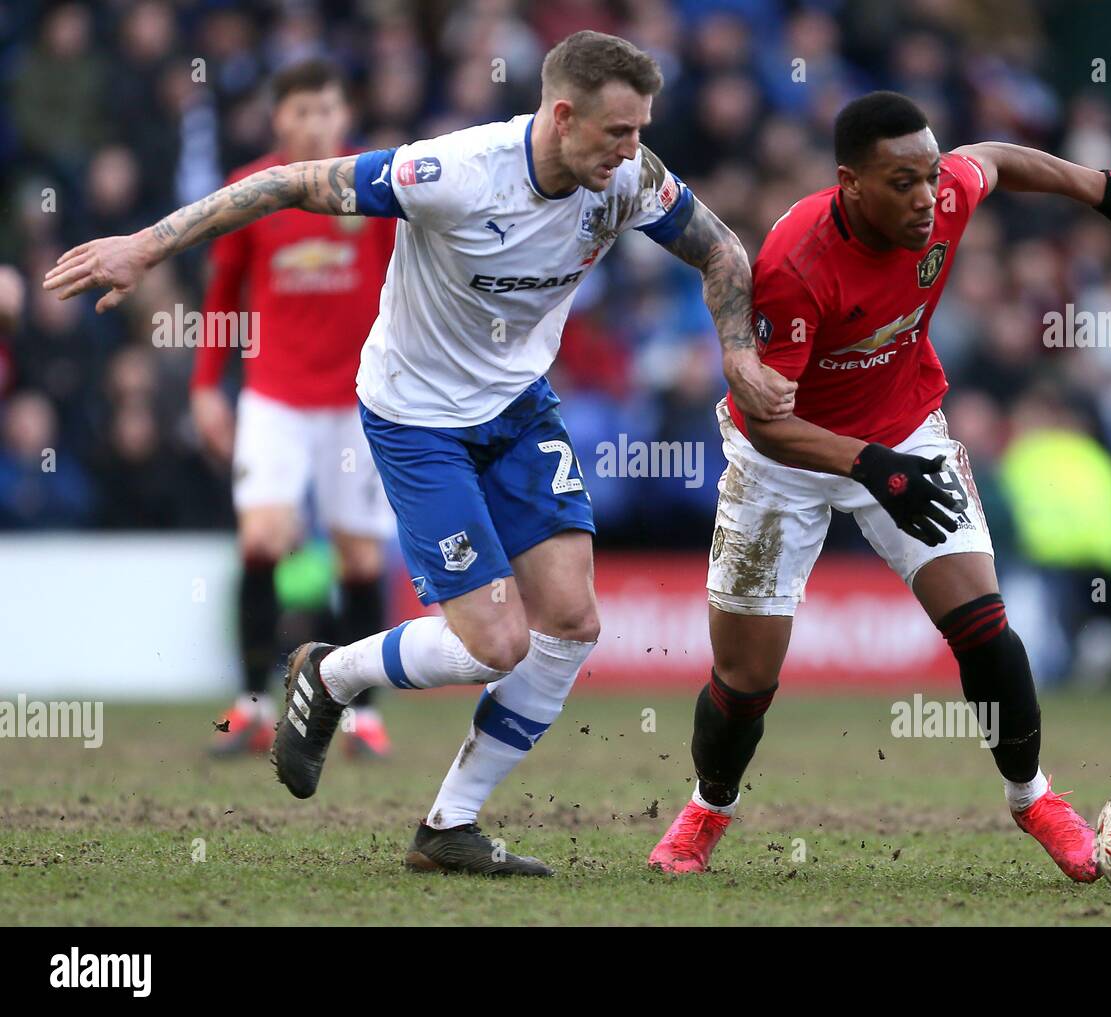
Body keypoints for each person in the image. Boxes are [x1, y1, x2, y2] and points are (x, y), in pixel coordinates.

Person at [43, 30, 795, 876]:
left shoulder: (629, 179)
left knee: (573, 622)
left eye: (640, 131)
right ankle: (329, 674)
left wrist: (737, 351)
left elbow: (722, 250)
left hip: (517, 410)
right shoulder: (452, 172)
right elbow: (290, 182)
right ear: (561, 114)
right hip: (417, 420)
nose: (633, 152)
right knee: (494, 642)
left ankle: (449, 826)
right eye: (618, 132)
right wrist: (145, 245)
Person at [647, 91, 1111, 882]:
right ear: (850, 182)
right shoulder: (795, 265)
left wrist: (1100, 187)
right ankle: (708, 808)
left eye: (928, 176)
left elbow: (992, 158)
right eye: (901, 182)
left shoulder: (944, 194)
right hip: (784, 461)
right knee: (747, 678)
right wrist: (867, 466)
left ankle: (1033, 797)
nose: (925, 198)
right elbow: (769, 420)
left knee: (987, 626)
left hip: (905, 430)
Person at [192, 59, 398, 759]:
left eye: (327, 109)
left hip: (357, 401)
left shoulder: (371, 187)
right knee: (263, 538)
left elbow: (407, 284)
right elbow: (221, 296)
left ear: (345, 116)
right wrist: (202, 386)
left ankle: (363, 716)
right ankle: (250, 704)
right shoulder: (248, 191)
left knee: (358, 553)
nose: (315, 122)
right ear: (278, 118)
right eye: (301, 110)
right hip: (273, 396)